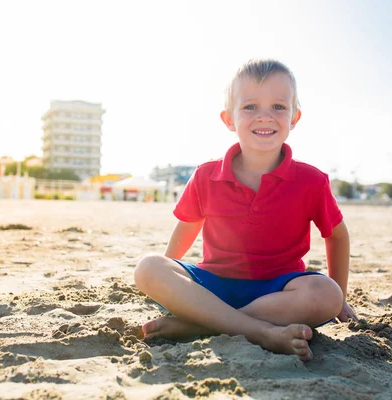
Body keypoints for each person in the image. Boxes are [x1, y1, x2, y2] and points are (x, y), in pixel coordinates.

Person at [134, 59, 356, 362]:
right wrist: (171, 282)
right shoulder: (206, 175)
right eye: (250, 106)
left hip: (278, 294)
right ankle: (257, 331)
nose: (265, 116)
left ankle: (200, 325)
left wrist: (340, 299)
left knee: (327, 294)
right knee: (149, 267)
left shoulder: (312, 181)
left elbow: (338, 237)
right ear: (229, 118)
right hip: (212, 285)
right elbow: (187, 229)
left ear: (295, 118)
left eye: (278, 107)